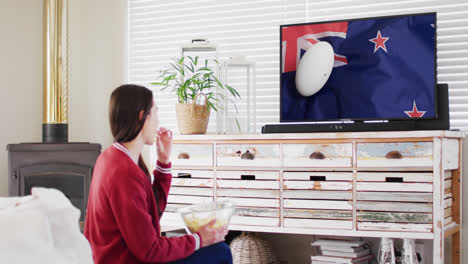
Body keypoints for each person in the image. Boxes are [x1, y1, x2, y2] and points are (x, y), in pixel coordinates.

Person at [84, 84, 232, 264]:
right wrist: (199, 239)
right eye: (155, 112)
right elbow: (150, 251)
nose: (158, 121)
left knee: (214, 249)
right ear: (142, 116)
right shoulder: (124, 172)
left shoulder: (112, 157)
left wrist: (163, 161)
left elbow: (152, 213)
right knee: (220, 252)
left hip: (122, 257)